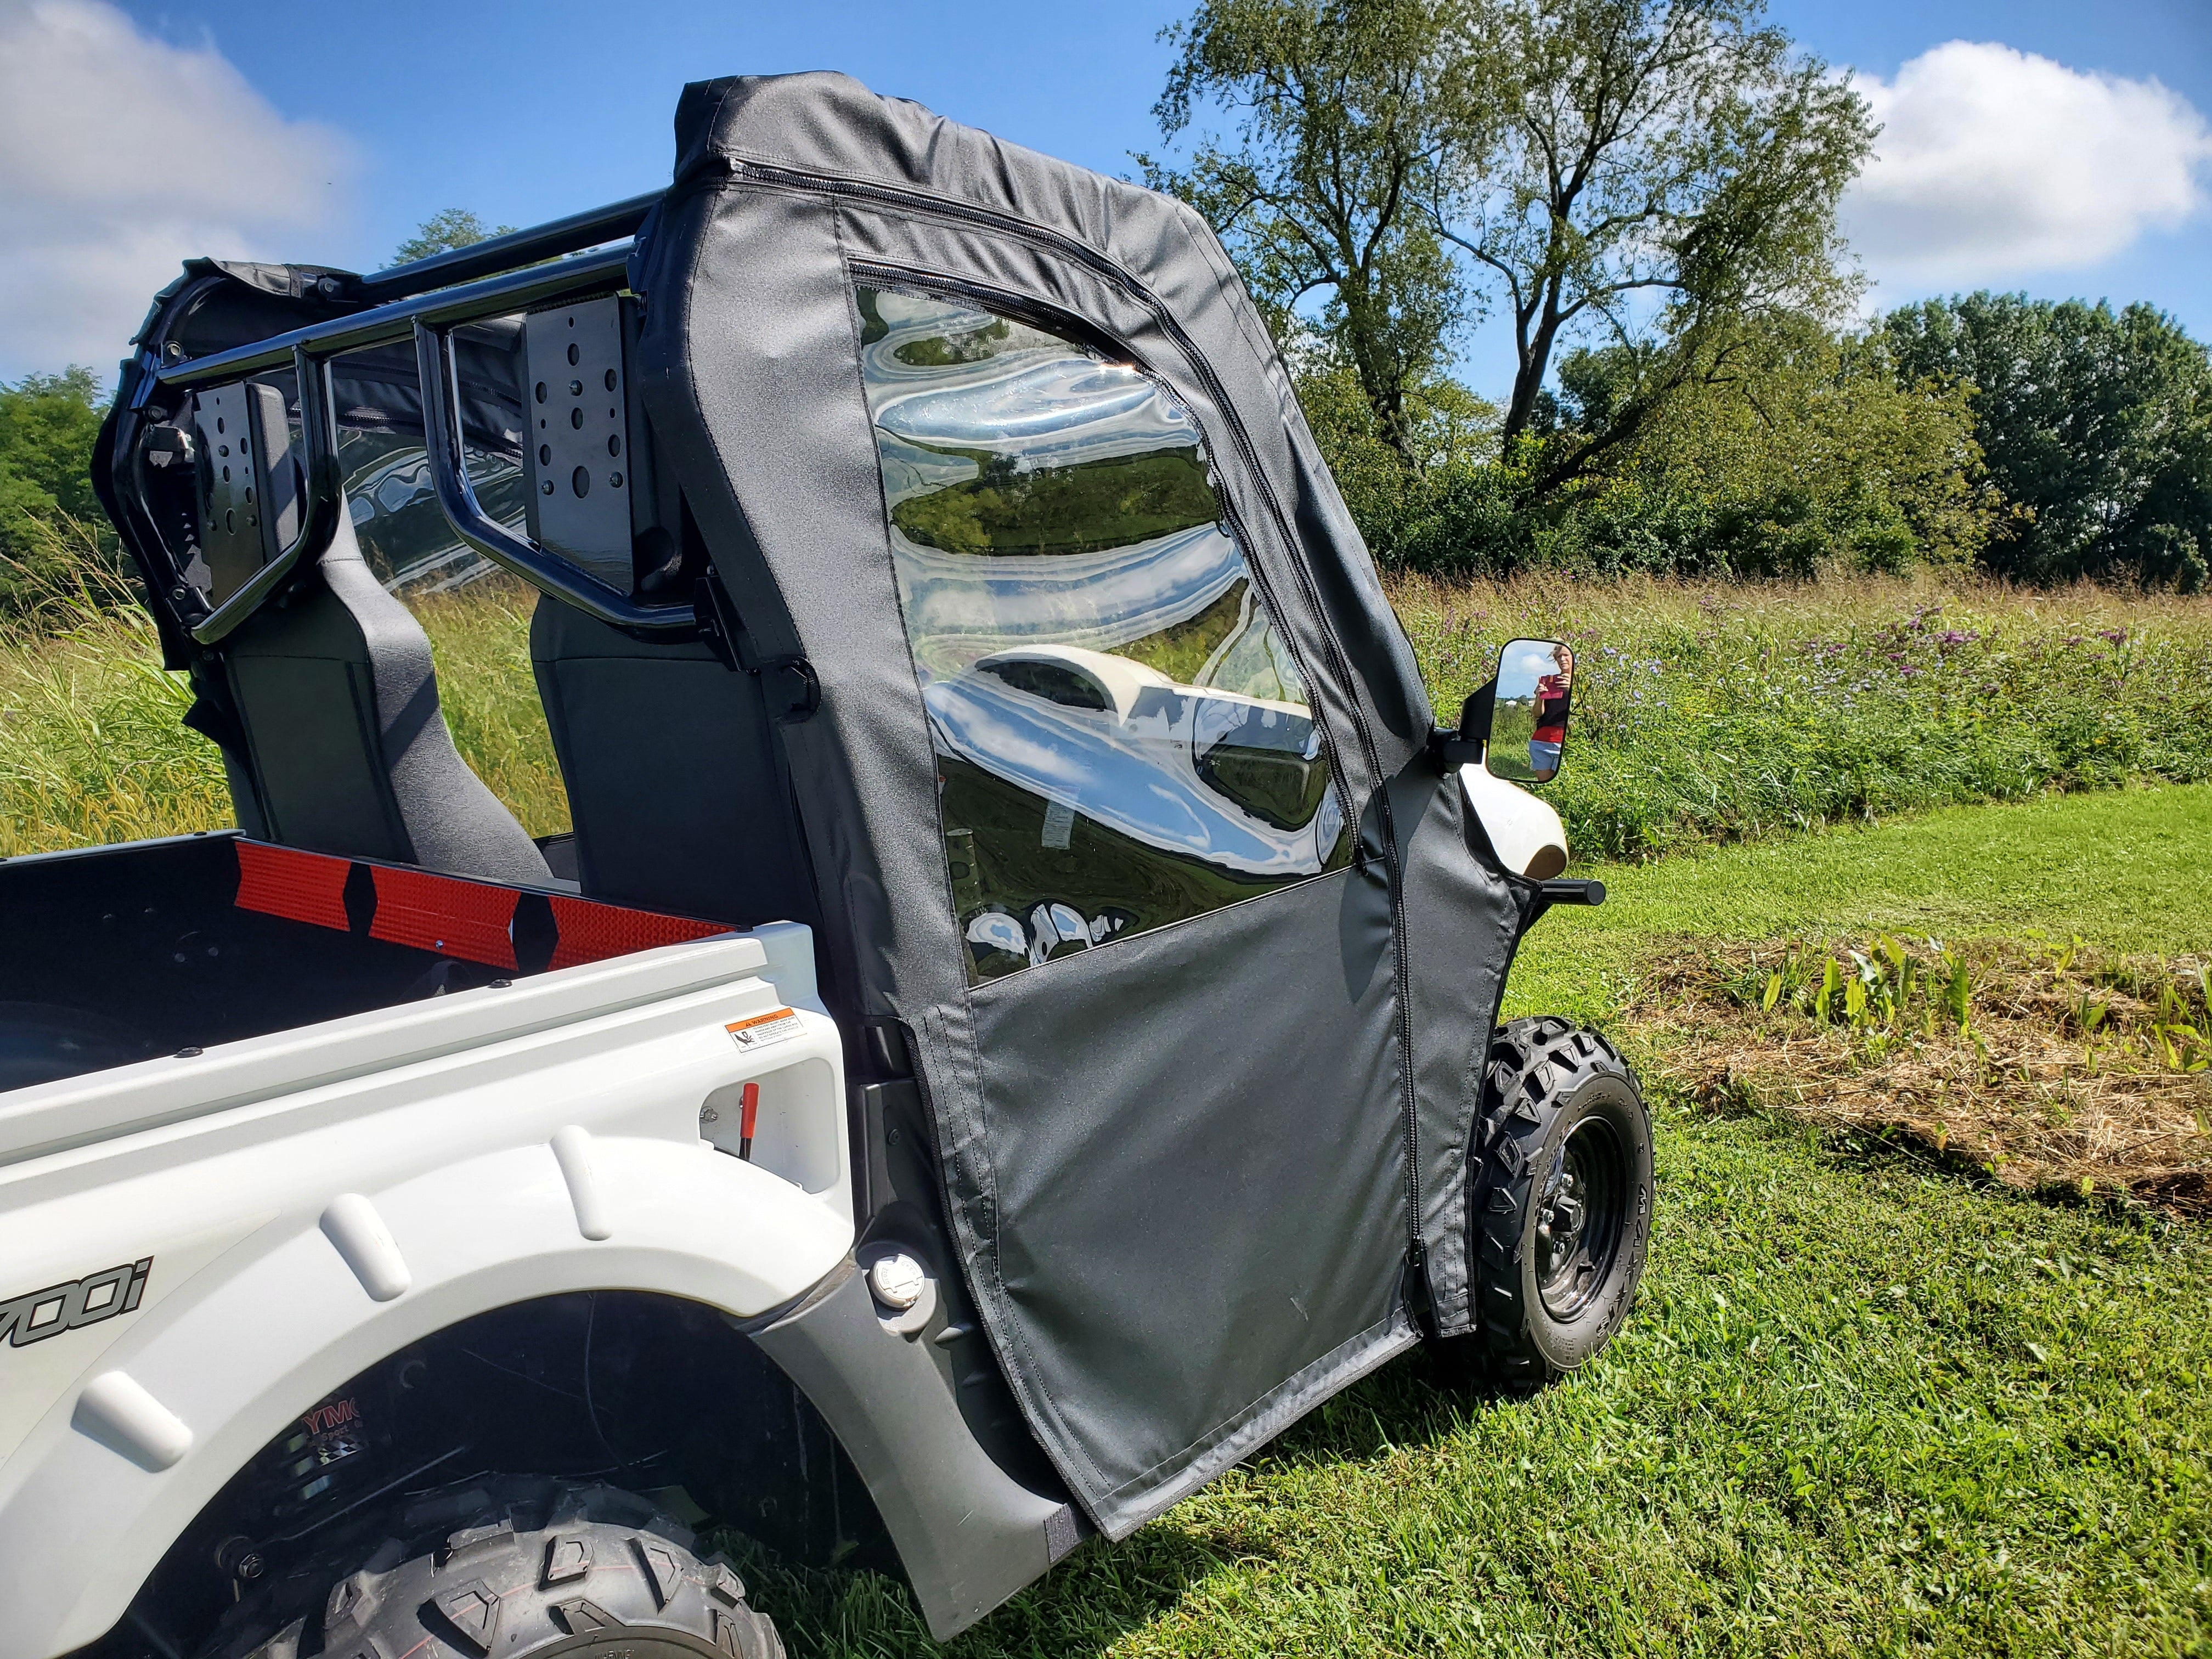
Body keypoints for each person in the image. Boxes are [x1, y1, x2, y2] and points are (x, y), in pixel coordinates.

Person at [1529, 644, 1573, 777]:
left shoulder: (1585, 685)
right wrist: (1540, 698)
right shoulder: (1549, 682)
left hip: (1566, 742)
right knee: (1545, 786)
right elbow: (1537, 714)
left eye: (1566, 655)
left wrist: (1571, 688)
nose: (1562, 659)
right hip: (1541, 742)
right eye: (1559, 657)